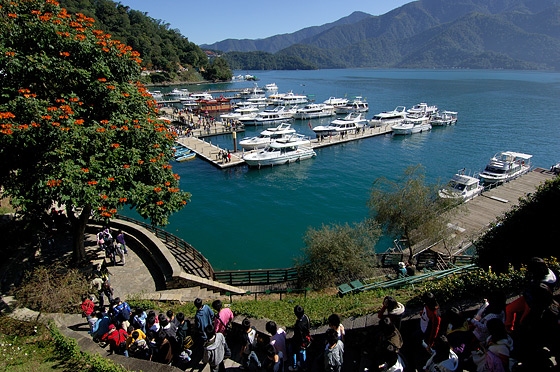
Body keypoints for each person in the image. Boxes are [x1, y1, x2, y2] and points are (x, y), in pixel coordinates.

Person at [289, 305, 311, 372]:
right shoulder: (306, 317)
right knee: (303, 353)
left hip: (300, 342)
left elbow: (299, 336)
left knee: (292, 351)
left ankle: (294, 366)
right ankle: (303, 365)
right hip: (306, 339)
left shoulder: (298, 326)